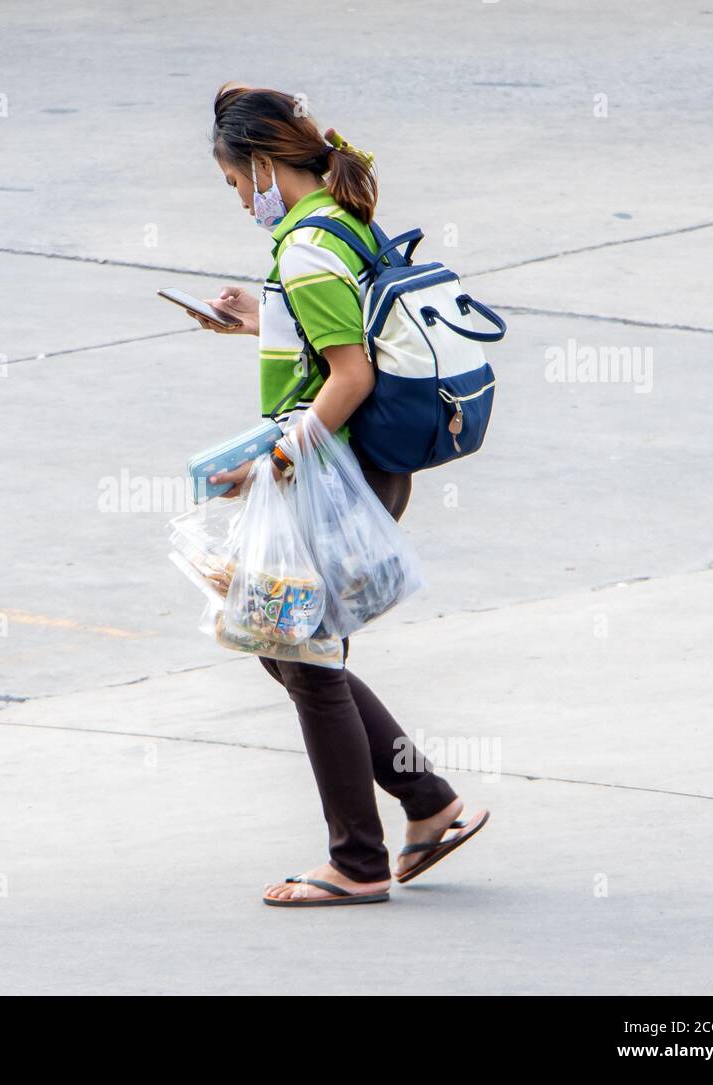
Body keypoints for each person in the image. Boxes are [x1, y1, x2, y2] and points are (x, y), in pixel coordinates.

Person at [189, 83, 489, 907]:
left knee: (300, 652)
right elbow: (343, 337)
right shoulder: (336, 221)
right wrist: (261, 322)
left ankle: (357, 860)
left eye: (231, 184)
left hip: (334, 472)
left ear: (258, 165)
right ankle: (429, 805)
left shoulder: (306, 247)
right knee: (291, 645)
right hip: (355, 469)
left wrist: (273, 458)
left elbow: (350, 375)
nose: (237, 200)